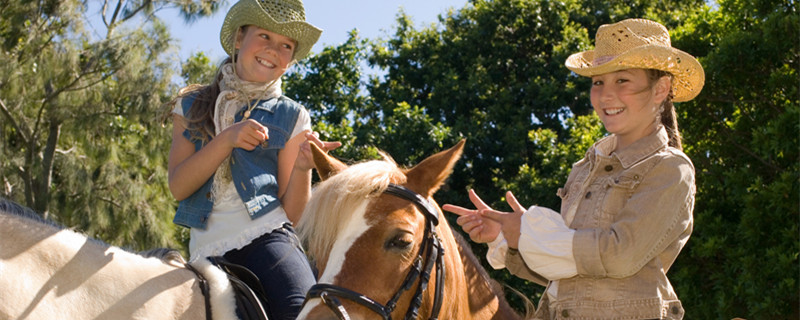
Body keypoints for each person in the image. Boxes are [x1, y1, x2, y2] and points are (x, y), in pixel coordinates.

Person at [443, 18, 703, 320]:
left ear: (661, 89)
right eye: (598, 82)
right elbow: (570, 273)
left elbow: (620, 256)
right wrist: (505, 238)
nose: (605, 95)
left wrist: (528, 231)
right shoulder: (584, 168)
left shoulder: (670, 168)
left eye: (622, 80)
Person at [167, 0, 340, 318]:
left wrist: (303, 168)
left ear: (289, 61)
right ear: (238, 39)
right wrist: (226, 140)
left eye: (286, 45)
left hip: (267, 237)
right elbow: (179, 186)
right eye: (264, 36)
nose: (273, 50)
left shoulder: (293, 115)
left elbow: (293, 216)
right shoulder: (191, 104)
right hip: (206, 252)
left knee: (303, 312)